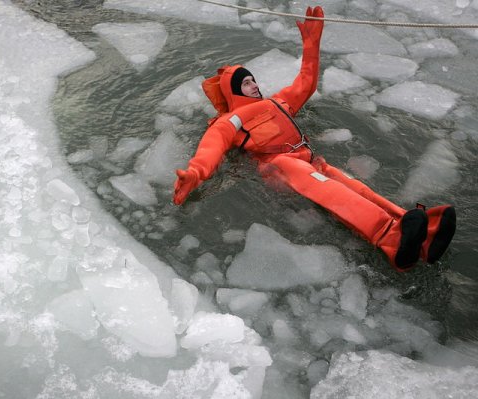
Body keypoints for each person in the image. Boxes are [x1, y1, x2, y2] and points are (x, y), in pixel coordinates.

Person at [172, 6, 456, 271]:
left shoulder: (278, 102)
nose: (254, 84)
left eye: (253, 79)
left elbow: (305, 83)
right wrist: (196, 173)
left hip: (308, 160)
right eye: (246, 83)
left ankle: (421, 234)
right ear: (233, 90)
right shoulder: (230, 120)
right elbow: (212, 146)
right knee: (329, 190)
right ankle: (392, 237)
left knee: (353, 187)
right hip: (279, 168)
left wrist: (311, 45)